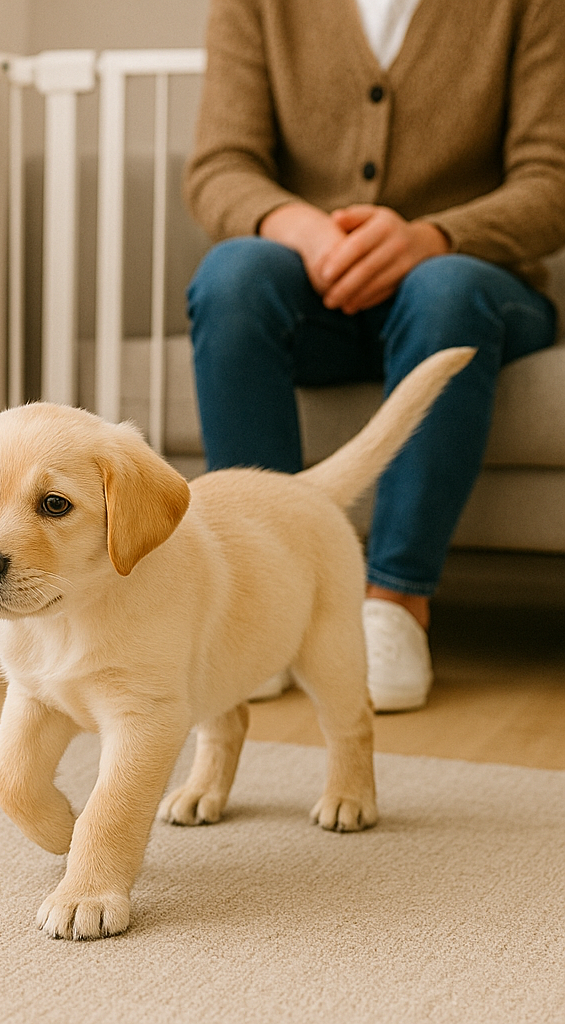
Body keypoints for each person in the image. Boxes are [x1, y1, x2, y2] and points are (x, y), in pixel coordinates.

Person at [184, 0, 565, 710]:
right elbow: (220, 166)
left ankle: (395, 602)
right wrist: (299, 227)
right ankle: (257, 605)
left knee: (444, 290)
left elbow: (552, 180)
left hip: (473, 289)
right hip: (316, 293)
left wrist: (435, 236)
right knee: (233, 275)